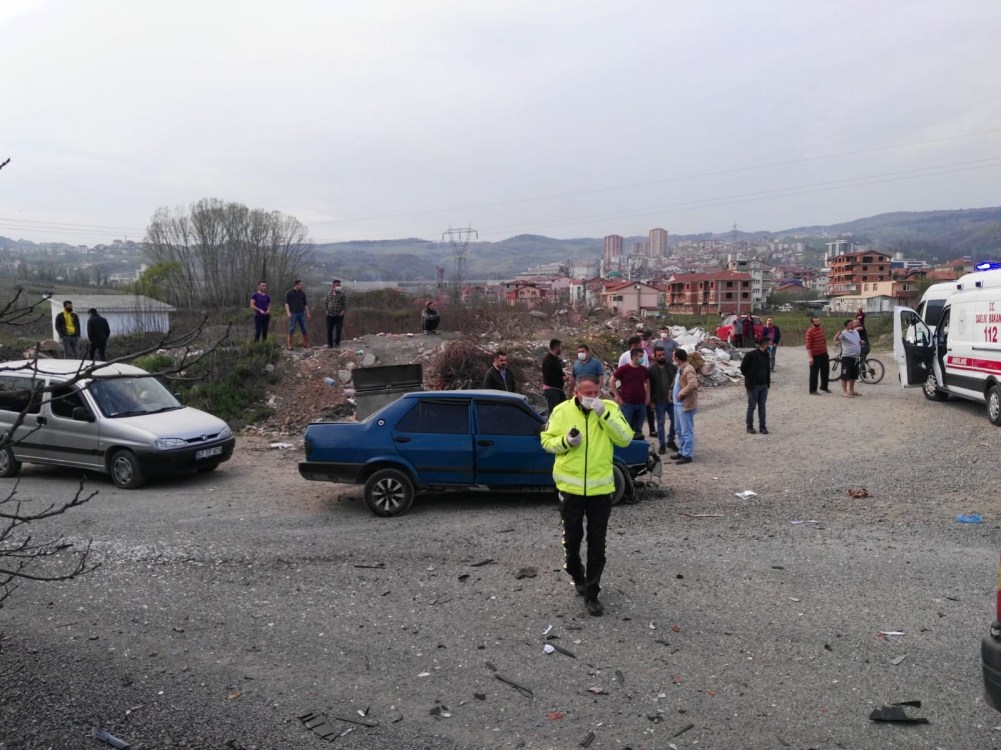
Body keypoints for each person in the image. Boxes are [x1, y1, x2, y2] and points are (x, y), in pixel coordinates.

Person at [541, 374, 634, 617]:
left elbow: (625, 438)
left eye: (596, 392)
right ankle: (576, 573)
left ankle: (592, 593)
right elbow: (546, 442)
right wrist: (566, 442)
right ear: (576, 393)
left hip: (600, 491)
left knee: (597, 544)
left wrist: (604, 416)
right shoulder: (561, 411)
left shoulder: (609, 409)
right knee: (572, 541)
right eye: (587, 393)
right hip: (570, 490)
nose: (593, 397)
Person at [610, 347, 650, 437]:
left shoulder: (643, 369)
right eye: (640, 356)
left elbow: (647, 382)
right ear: (634, 357)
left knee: (638, 429)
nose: (642, 358)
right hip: (627, 403)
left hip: (641, 403)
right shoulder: (624, 369)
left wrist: (648, 396)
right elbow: (612, 381)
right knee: (626, 427)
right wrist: (616, 395)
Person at [648, 346, 678, 455]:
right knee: (660, 423)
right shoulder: (651, 369)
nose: (662, 357)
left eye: (663, 354)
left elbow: (677, 383)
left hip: (671, 400)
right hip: (659, 400)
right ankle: (662, 445)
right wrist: (651, 401)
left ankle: (671, 441)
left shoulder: (672, 367)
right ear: (655, 356)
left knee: (675, 421)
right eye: (659, 355)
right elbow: (649, 387)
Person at [671, 348, 699, 463]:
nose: (672, 358)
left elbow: (693, 384)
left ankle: (687, 454)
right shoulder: (681, 369)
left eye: (673, 356)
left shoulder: (688, 369)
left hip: (684, 404)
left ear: (677, 358)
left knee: (686, 430)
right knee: (678, 429)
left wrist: (681, 393)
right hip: (677, 404)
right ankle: (682, 451)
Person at [740, 337, 771, 434]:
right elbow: (743, 368)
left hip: (764, 385)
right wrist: (750, 378)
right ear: (764, 344)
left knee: (762, 406)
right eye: (768, 344)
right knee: (752, 406)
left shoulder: (766, 355)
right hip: (753, 386)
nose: (769, 346)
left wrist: (767, 382)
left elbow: (767, 369)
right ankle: (749, 426)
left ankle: (763, 427)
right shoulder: (750, 355)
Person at [834, 319, 862, 398]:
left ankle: (851, 390)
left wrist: (861, 342)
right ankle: (845, 392)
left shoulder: (856, 332)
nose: (852, 325)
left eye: (852, 324)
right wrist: (837, 335)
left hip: (855, 357)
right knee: (845, 375)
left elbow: (858, 341)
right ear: (846, 326)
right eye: (850, 324)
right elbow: (836, 340)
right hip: (847, 357)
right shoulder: (843, 333)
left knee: (853, 375)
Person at [805, 315, 831, 394]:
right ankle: (813, 390)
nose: (818, 322)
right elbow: (808, 345)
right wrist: (810, 357)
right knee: (814, 373)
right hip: (815, 355)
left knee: (825, 371)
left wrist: (827, 352)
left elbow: (824, 341)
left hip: (823, 354)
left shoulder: (821, 329)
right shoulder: (810, 331)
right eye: (816, 321)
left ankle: (824, 387)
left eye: (819, 320)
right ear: (812, 322)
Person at [541, 338, 567, 414]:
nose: (561, 349)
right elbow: (549, 379)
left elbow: (558, 372)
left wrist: (565, 376)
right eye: (560, 347)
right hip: (552, 390)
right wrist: (563, 379)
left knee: (564, 410)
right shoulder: (548, 361)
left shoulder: (555, 359)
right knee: (553, 412)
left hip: (558, 390)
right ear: (556, 347)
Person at [284, 279, 311, 349]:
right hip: (293, 313)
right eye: (300, 284)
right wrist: (288, 312)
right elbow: (286, 304)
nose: (301, 286)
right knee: (292, 328)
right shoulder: (289, 293)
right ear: (296, 285)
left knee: (304, 328)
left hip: (301, 313)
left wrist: (308, 313)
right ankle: (289, 344)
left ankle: (306, 343)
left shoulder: (302, 294)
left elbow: (305, 304)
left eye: (302, 285)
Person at [324, 279, 347, 348]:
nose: (338, 286)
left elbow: (345, 303)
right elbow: (326, 302)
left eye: (339, 285)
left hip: (339, 315)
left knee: (338, 330)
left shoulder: (342, 294)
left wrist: (343, 311)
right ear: (333, 285)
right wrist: (326, 310)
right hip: (330, 315)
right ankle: (330, 344)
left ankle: (337, 343)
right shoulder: (329, 293)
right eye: (337, 285)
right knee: (329, 330)